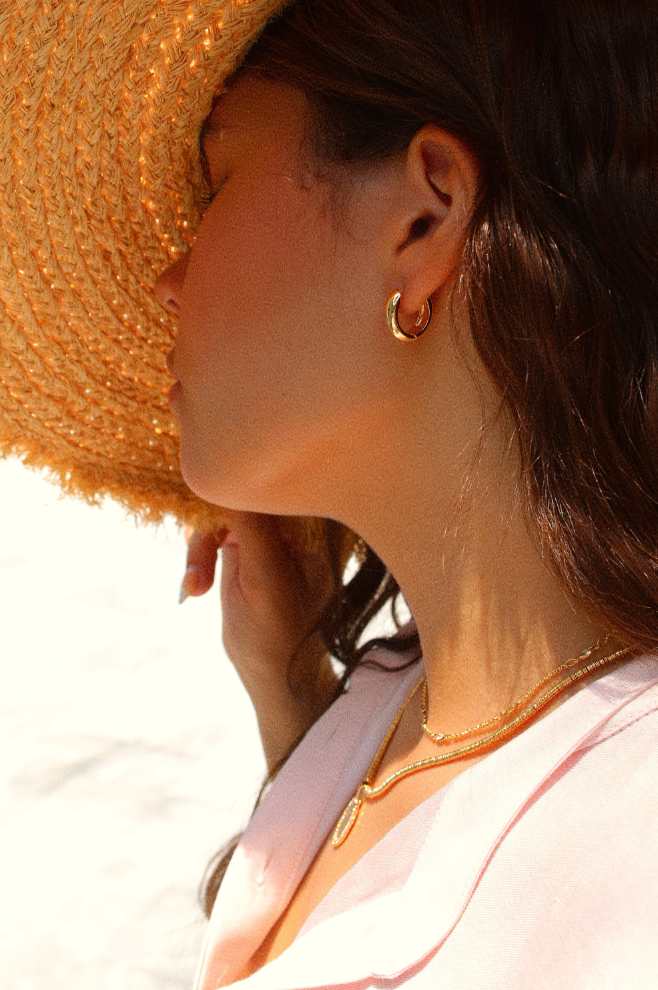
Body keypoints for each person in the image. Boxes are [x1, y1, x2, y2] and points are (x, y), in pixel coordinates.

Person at [1, 0, 657, 987]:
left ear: (422, 216)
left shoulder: (630, 852)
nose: (171, 281)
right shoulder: (391, 719)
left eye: (218, 182)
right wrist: (301, 724)